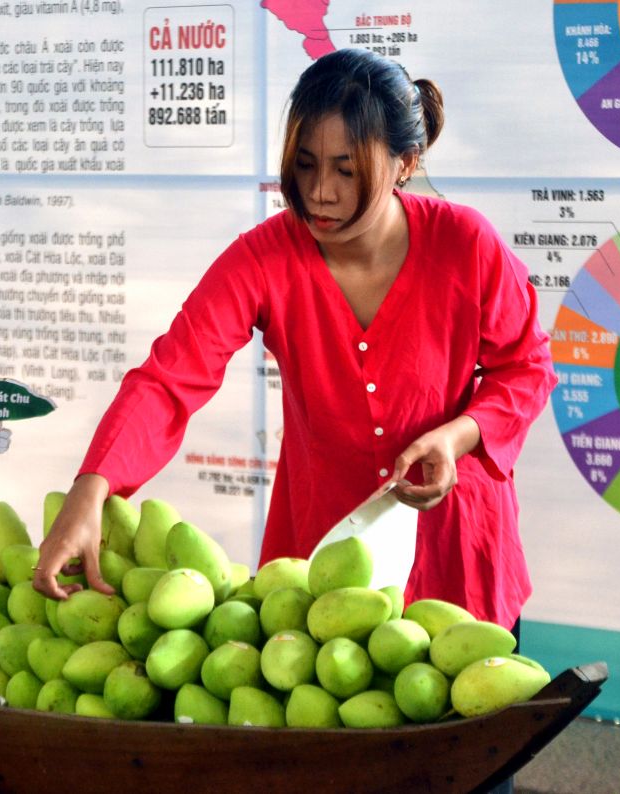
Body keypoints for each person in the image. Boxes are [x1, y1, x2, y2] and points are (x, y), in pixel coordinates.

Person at [32, 49, 555, 637]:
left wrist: (457, 437)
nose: (319, 193)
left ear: (406, 162)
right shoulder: (264, 257)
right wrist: (91, 488)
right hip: (325, 553)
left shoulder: (467, 244)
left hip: (456, 548)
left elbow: (527, 368)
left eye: (347, 170)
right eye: (304, 165)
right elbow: (170, 378)